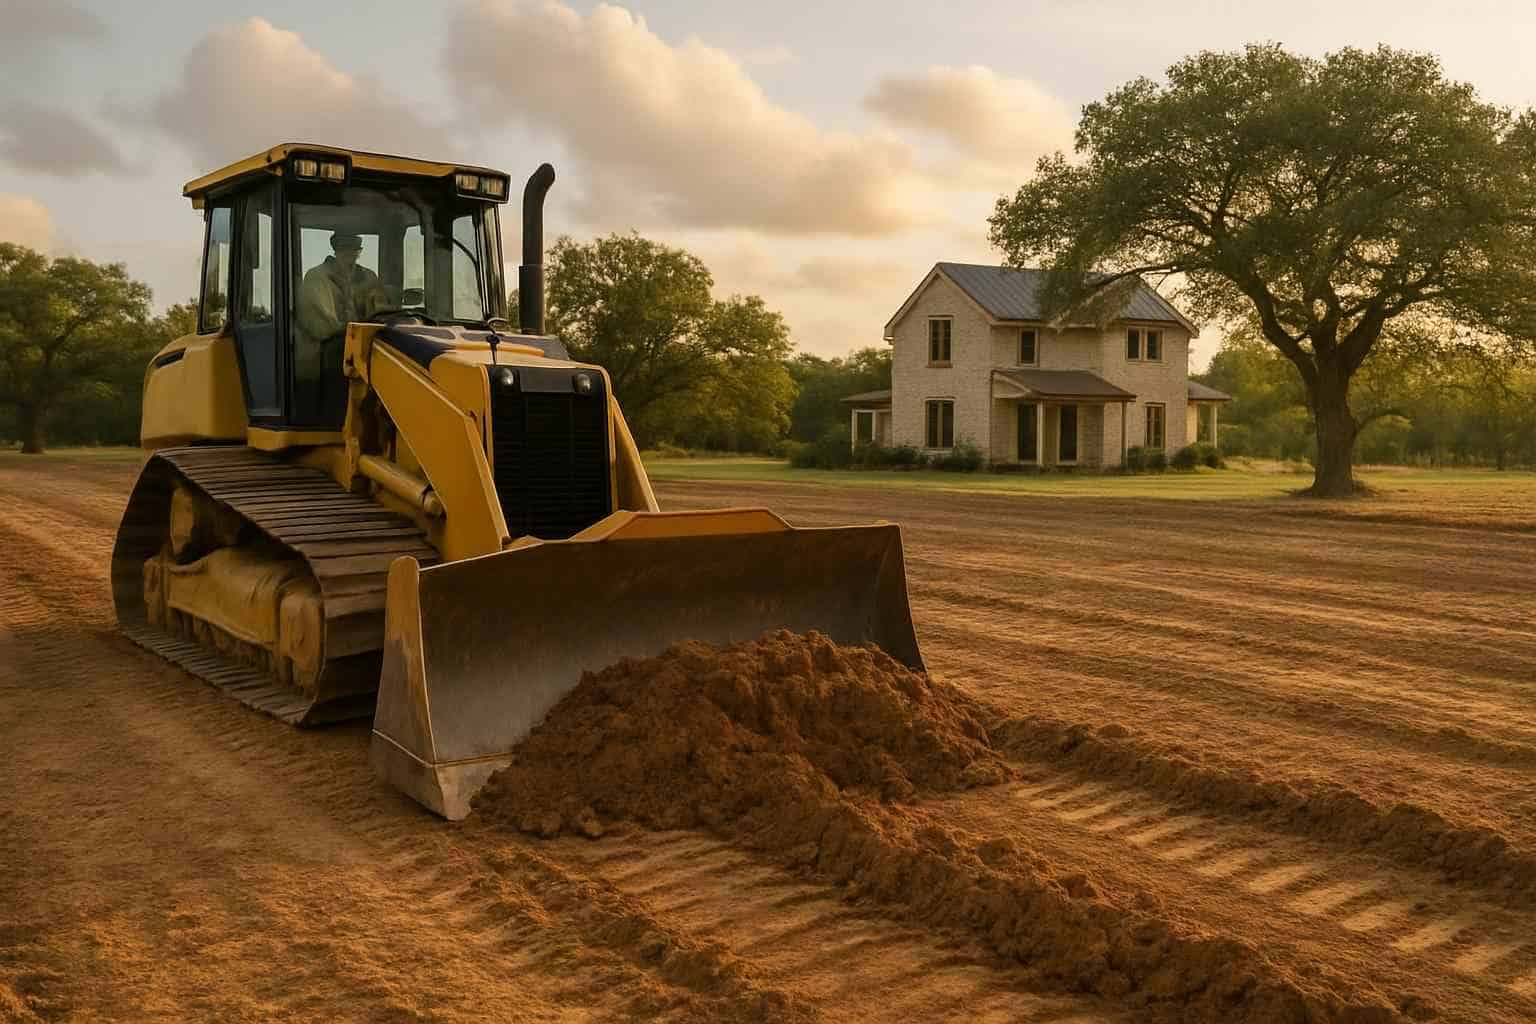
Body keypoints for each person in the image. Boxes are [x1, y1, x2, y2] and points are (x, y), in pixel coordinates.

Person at [294, 232, 387, 421]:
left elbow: (379, 311)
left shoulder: (368, 277)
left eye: (354, 250)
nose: (350, 254)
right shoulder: (317, 277)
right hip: (324, 352)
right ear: (336, 251)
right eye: (345, 250)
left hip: (364, 347)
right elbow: (322, 327)